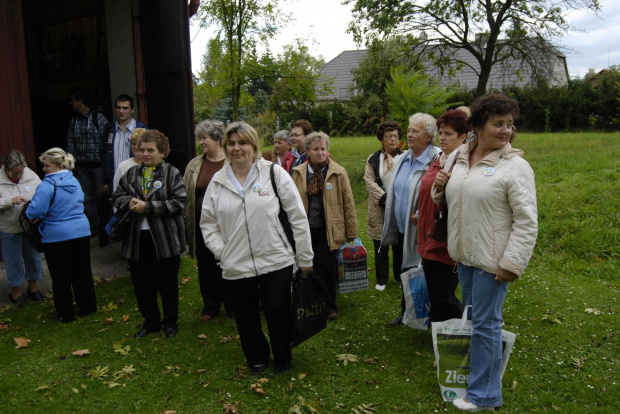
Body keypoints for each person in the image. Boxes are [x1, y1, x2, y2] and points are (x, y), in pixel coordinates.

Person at [432, 94, 538, 411]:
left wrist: (512, 263)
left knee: (486, 325)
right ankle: (478, 382)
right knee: (479, 322)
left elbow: (527, 221)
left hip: (492, 262)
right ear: (478, 126)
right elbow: (453, 201)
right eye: (498, 123)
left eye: (509, 124)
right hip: (464, 256)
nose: (506, 130)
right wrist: (440, 187)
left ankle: (484, 394)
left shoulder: (515, 167)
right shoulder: (459, 157)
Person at [200, 122, 313, 376]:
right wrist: (222, 252)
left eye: (242, 143)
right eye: (231, 143)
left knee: (276, 309)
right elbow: (208, 224)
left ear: (253, 146)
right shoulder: (218, 182)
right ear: (226, 147)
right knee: (245, 314)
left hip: (275, 257)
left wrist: (305, 257)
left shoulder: (273, 173)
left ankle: (283, 357)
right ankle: (257, 358)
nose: (236, 148)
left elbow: (297, 216)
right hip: (236, 262)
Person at [111, 129, 187, 339]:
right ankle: (150, 321)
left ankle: (170, 322)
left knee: (167, 283)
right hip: (136, 239)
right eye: (141, 149)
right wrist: (129, 202)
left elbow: (179, 203)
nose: (144, 154)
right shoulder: (132, 173)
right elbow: (116, 197)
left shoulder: (172, 173)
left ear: (162, 152)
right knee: (142, 284)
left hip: (165, 238)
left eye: (150, 150)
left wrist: (148, 207)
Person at [381, 113, 440, 326]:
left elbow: (444, 195)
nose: (409, 134)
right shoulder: (404, 157)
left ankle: (431, 314)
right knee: (405, 270)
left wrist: (425, 215)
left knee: (426, 273)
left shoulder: (438, 159)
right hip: (402, 229)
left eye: (415, 131)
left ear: (429, 136)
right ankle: (407, 311)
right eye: (409, 130)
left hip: (424, 231)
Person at [292, 131, 358, 321]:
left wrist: (351, 232)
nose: (320, 152)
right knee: (306, 266)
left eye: (323, 149)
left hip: (329, 228)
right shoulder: (298, 173)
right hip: (305, 229)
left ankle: (329, 306)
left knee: (326, 267)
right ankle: (310, 303)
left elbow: (348, 202)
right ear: (307, 151)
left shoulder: (338, 172)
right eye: (315, 149)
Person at [26, 148, 97, 322]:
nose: (43, 169)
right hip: (80, 232)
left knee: (61, 277)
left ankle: (66, 314)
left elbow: (35, 211)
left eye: (46, 165)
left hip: (57, 236)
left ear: (58, 166)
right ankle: (88, 308)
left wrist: (29, 211)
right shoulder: (74, 181)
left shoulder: (47, 185)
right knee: (82, 273)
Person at [415, 110, 468, 323]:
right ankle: (439, 334)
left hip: (447, 240)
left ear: (463, 137)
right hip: (428, 236)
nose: (442, 138)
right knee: (433, 292)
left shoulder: (465, 165)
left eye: (449, 134)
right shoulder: (439, 158)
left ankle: (474, 321)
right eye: (441, 133)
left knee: (442, 295)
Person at [183, 120, 233, 322]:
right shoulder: (195, 165)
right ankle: (211, 306)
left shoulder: (231, 162)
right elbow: (186, 193)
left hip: (228, 223)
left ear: (218, 139)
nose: (201, 142)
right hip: (201, 224)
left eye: (204, 138)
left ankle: (232, 305)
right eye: (200, 138)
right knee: (206, 265)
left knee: (229, 262)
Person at [0, 150, 44, 307]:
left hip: (29, 225)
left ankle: (33, 289)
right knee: (13, 260)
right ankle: (15, 292)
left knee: (32, 256)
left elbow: (42, 193)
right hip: (9, 227)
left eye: (21, 171)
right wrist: (10, 201)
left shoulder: (30, 175)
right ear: (6, 168)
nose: (19, 175)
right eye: (15, 172)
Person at [364, 121, 404, 291]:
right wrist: (385, 198)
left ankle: (399, 276)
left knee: (399, 244)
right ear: (381, 139)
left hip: (400, 206)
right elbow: (369, 181)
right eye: (389, 136)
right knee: (380, 244)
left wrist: (398, 199)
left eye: (395, 136)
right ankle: (381, 279)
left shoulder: (406, 157)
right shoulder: (373, 159)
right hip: (380, 207)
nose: (393, 139)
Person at [66, 86, 108, 235]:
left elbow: (107, 143)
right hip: (82, 168)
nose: (71, 103)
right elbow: (70, 144)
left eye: (73, 100)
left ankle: (106, 229)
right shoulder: (74, 121)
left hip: (98, 167)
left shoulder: (98, 118)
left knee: (102, 198)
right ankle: (94, 228)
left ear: (80, 101)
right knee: (86, 199)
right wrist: (68, 166)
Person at [102, 94, 148, 193]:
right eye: (118, 108)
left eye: (125, 108)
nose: (121, 111)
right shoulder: (109, 129)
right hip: (115, 179)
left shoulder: (141, 130)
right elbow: (103, 154)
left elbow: (148, 155)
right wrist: (105, 180)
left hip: (136, 179)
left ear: (132, 110)